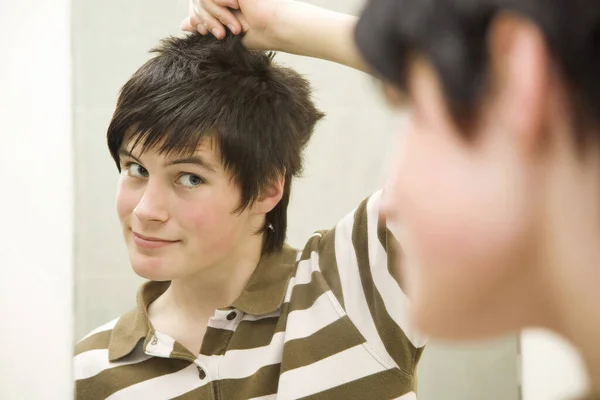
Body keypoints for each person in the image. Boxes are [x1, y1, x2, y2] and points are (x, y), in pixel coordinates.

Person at [184, 0, 600, 398]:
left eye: (417, 113)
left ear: (519, 80)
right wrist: (277, 22)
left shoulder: (343, 278)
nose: (389, 203)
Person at [74, 29, 425, 400]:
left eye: (189, 178)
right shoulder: (88, 373)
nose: (146, 211)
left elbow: (480, 81)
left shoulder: (355, 287)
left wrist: (278, 24)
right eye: (137, 169)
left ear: (267, 188)